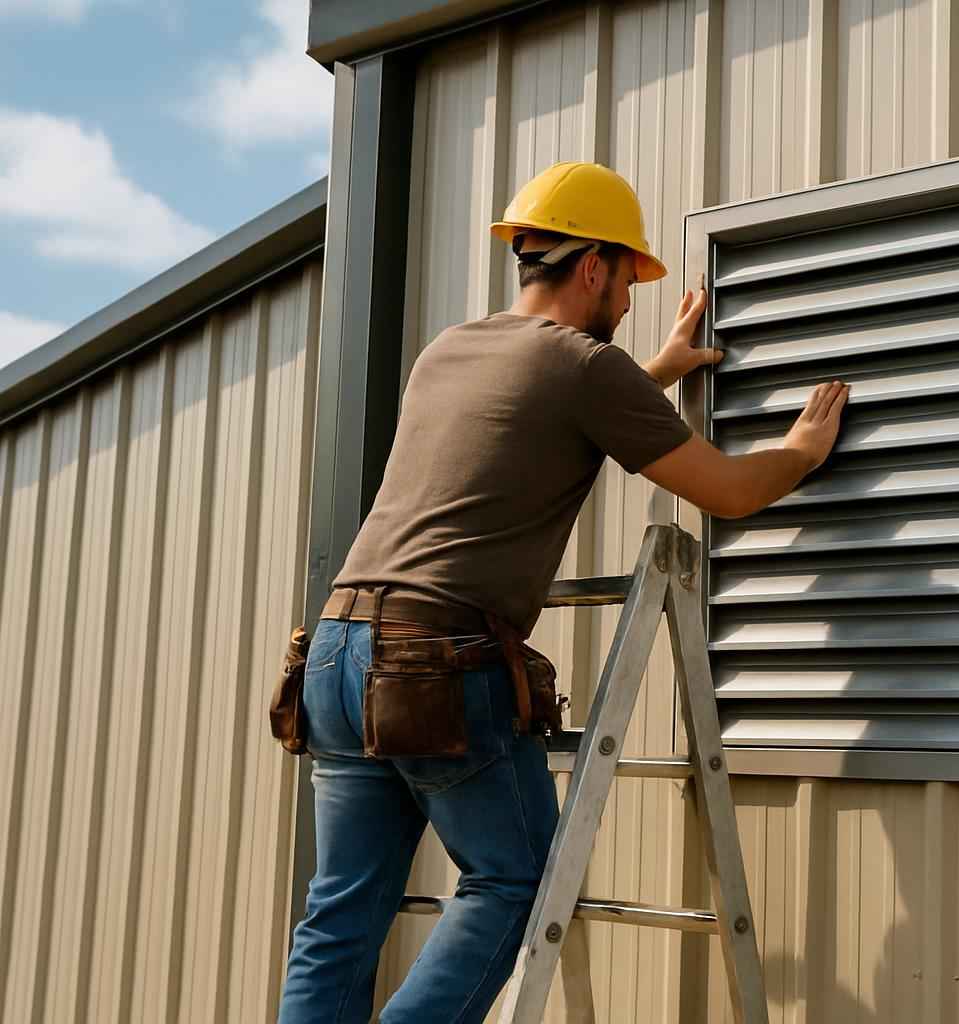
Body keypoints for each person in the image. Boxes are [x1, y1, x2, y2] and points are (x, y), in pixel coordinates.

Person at [276, 161, 849, 1023]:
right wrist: (802, 451)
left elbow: (532, 413)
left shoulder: (451, 349)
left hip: (335, 650)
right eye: (628, 279)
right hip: (437, 659)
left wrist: (651, 373)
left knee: (341, 914)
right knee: (517, 879)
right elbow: (729, 491)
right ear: (593, 268)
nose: (628, 301)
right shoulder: (588, 367)